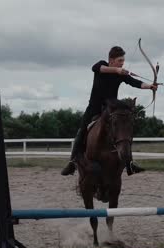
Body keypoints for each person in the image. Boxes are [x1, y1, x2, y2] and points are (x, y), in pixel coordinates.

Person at [61, 46, 157, 176]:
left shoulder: (121, 75)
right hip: (94, 108)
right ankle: (72, 162)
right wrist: (117, 70)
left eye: (123, 61)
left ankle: (129, 164)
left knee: (124, 132)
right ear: (111, 60)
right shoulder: (101, 66)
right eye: (120, 60)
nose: (122, 63)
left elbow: (136, 83)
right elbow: (95, 68)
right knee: (82, 131)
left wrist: (150, 86)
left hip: (111, 108)